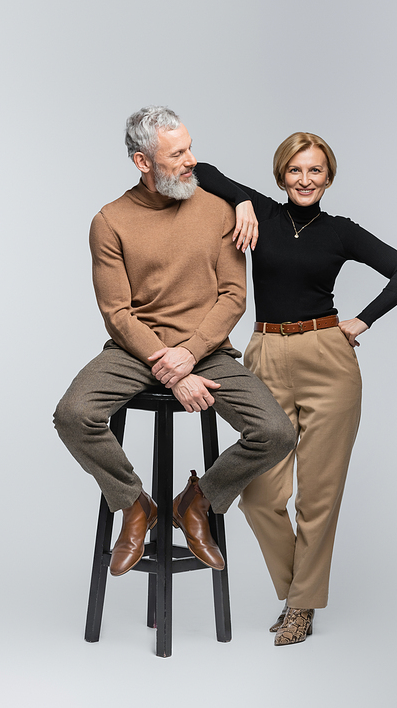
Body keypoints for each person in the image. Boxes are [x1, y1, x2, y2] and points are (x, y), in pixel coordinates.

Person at [194, 132, 397, 645]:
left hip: (327, 359)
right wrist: (243, 201)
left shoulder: (340, 231)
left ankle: (300, 606)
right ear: (281, 175)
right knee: (260, 496)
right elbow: (202, 169)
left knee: (317, 498)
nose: (305, 180)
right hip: (267, 354)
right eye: (296, 170)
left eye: (316, 171)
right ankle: (299, 590)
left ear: (329, 177)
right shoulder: (265, 217)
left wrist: (362, 321)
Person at [53, 106, 295, 580]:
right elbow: (116, 313)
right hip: (134, 351)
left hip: (206, 349)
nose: (192, 161)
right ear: (143, 162)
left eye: (190, 147)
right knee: (73, 415)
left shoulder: (220, 209)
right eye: (177, 153)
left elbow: (233, 297)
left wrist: (189, 355)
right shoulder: (110, 221)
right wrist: (169, 363)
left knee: (276, 432)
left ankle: (195, 501)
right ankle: (134, 504)